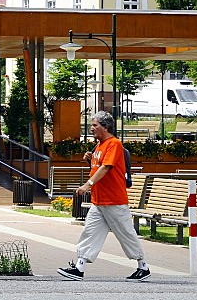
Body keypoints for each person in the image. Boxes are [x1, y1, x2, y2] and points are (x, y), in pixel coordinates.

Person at [57, 111, 150, 282]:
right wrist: (89, 160)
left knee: (126, 234)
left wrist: (87, 185)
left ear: (105, 127)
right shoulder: (99, 146)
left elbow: (106, 168)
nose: (91, 128)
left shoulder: (113, 144)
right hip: (99, 201)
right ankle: (79, 267)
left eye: (95, 125)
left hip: (114, 200)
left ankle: (143, 267)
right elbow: (99, 167)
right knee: (90, 233)